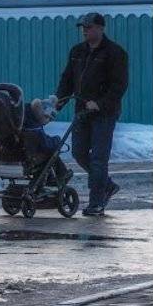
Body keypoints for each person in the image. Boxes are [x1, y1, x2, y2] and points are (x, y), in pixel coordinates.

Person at [54, 12, 128, 216]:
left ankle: (96, 202)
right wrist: (57, 102)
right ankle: (107, 185)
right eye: (83, 28)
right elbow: (67, 80)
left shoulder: (115, 53)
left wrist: (100, 103)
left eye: (89, 27)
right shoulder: (77, 51)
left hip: (104, 113)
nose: (85, 31)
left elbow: (119, 85)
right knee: (78, 153)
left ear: (100, 28)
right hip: (82, 111)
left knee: (98, 159)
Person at [22, 97, 73, 188]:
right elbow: (46, 144)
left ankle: (50, 177)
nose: (47, 122)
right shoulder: (34, 129)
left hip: (11, 157)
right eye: (47, 118)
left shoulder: (20, 124)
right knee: (51, 154)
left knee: (44, 153)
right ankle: (62, 174)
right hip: (29, 159)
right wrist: (57, 140)